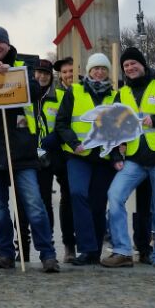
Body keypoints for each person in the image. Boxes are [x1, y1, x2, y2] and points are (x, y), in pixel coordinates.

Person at [0, 26, 61, 273]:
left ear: (8, 46)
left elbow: (37, 90)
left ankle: (47, 254)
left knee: (34, 203)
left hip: (21, 149)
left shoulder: (22, 68)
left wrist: (12, 74)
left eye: (0, 43)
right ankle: (5, 253)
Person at [100, 47, 155, 269]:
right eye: (126, 66)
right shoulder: (122, 94)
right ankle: (122, 250)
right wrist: (114, 155)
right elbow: (114, 127)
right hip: (135, 157)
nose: (130, 68)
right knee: (115, 195)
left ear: (143, 65)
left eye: (133, 63)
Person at [55, 52, 119, 265]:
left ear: (108, 72)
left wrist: (117, 156)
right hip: (78, 154)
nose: (99, 72)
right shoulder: (75, 91)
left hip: (104, 156)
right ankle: (86, 246)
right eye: (95, 69)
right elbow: (62, 123)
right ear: (89, 71)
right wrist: (74, 143)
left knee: (98, 203)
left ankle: (94, 251)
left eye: (103, 69)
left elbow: (120, 129)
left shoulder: (114, 95)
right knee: (77, 193)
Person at [34, 57, 76, 263]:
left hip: (59, 151)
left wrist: (55, 138)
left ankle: (69, 245)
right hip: (38, 154)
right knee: (43, 200)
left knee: (67, 198)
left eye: (45, 73)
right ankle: (47, 244)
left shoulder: (60, 95)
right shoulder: (27, 95)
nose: (41, 76)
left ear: (52, 76)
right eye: (38, 73)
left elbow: (65, 121)